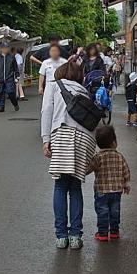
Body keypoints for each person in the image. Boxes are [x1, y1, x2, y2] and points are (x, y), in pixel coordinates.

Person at [42, 61, 97, 250]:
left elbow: (46, 111)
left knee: (60, 186)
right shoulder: (83, 90)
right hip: (85, 139)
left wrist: (45, 139)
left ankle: (60, 236)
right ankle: (75, 236)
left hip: (63, 134)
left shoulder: (54, 86)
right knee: (75, 187)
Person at [89, 124, 131, 242]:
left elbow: (89, 168)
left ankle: (102, 233)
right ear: (114, 142)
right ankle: (114, 232)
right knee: (115, 211)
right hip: (116, 190)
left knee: (102, 211)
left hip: (101, 190)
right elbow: (126, 170)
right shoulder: (119, 156)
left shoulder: (98, 157)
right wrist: (126, 184)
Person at [37, 43, 68, 141]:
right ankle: (46, 130)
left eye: (56, 51)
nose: (54, 52)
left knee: (60, 107)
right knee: (47, 108)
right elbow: (42, 75)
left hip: (61, 86)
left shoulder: (64, 62)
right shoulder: (45, 63)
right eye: (52, 51)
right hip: (49, 86)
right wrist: (40, 87)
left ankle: (60, 126)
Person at [0, 41, 21, 112]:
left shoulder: (11, 57)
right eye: (4, 48)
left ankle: (15, 104)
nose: (6, 49)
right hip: (1, 78)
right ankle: (1, 107)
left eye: (7, 48)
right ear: (1, 49)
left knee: (10, 92)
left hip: (9, 78)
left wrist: (17, 76)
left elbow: (15, 68)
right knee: (0, 93)